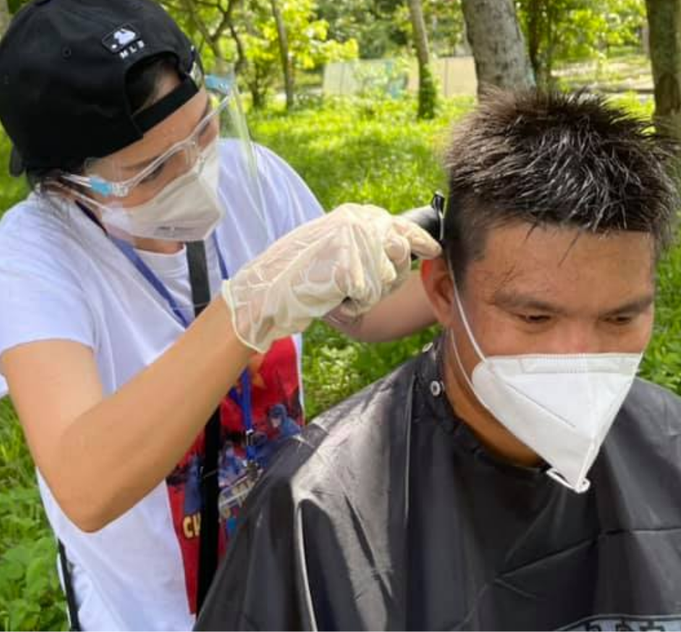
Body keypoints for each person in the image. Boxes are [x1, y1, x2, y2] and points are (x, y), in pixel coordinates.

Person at [0, 0, 441, 631]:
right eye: (152, 169)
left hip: (283, 567)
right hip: (153, 611)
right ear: (68, 183)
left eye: (203, 128)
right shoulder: (30, 257)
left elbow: (367, 317)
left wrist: (465, 273)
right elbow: (85, 485)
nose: (195, 170)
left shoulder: (257, 177)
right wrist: (247, 309)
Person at [196, 90, 681, 630]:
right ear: (446, 293)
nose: (580, 359)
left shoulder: (670, 445)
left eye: (619, 319)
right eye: (535, 319)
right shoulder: (323, 511)